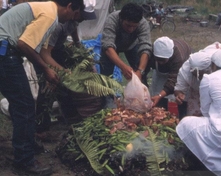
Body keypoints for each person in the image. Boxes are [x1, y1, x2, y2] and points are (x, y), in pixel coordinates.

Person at [0, 0, 84, 174]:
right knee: (25, 105)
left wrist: (60, 72)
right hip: (4, 52)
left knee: (21, 104)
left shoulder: (47, 12)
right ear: (68, 6)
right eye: (74, 14)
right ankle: (24, 161)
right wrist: (46, 70)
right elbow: (24, 44)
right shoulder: (49, 15)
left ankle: (26, 144)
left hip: (6, 51)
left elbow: (44, 53)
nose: (72, 20)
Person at [36, 0, 98, 134]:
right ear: (76, 12)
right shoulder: (58, 25)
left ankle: (71, 118)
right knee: (47, 87)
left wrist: (77, 44)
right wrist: (61, 70)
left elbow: (74, 28)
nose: (81, 20)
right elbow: (45, 53)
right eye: (81, 16)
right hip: (44, 53)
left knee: (64, 86)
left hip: (57, 50)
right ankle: (41, 128)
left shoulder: (75, 19)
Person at [174, 42, 221, 117]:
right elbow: (179, 88)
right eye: (195, 74)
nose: (199, 78)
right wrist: (179, 95)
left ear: (210, 68)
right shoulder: (186, 69)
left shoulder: (220, 69)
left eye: (201, 74)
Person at [99, 2, 152, 85]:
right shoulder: (112, 19)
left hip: (132, 45)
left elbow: (146, 47)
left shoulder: (143, 23)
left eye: (134, 26)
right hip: (112, 47)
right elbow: (107, 45)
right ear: (121, 18)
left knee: (141, 73)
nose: (131, 29)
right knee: (106, 75)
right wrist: (123, 67)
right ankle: (106, 96)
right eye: (128, 25)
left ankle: (142, 94)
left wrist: (140, 71)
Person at [145, 36, 192, 111]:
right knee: (158, 97)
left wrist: (160, 95)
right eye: (158, 60)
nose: (160, 62)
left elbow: (173, 80)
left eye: (163, 60)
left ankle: (181, 113)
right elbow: (143, 70)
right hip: (160, 73)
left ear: (170, 56)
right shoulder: (151, 52)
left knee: (180, 97)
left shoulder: (178, 57)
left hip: (179, 72)